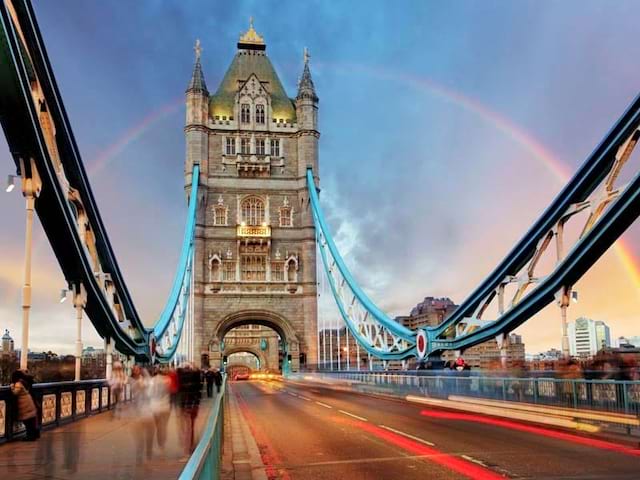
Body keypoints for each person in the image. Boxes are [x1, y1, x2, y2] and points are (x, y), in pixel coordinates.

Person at [177, 364, 201, 454]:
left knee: (187, 427)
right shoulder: (196, 380)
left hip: (186, 405)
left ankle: (187, 448)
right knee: (191, 426)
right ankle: (190, 445)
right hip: (194, 405)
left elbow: (178, 371)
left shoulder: (183, 381)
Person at [11, 370, 40, 441]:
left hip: (24, 403)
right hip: (28, 401)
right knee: (31, 421)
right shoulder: (24, 382)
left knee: (27, 421)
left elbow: (15, 393)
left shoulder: (18, 384)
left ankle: (30, 436)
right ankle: (33, 435)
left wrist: (11, 387)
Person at [150, 367, 171, 451]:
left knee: (158, 426)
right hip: (165, 405)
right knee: (164, 426)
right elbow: (170, 391)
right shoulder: (168, 380)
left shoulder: (152, 380)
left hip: (155, 406)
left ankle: (160, 443)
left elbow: (149, 393)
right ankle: (163, 442)